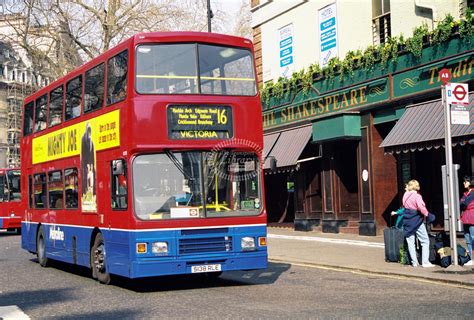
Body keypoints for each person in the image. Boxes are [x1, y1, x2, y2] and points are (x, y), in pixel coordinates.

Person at [401, 179, 434, 268]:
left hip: (407, 220)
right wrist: (428, 215)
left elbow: (405, 206)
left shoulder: (405, 195)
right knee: (425, 241)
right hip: (417, 221)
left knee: (411, 242)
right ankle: (425, 262)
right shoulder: (417, 196)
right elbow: (421, 207)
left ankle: (414, 262)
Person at [460, 176, 474, 266]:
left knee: (473, 238)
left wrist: (464, 203)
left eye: (465, 182)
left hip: (472, 217)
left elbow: (464, 203)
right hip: (465, 218)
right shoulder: (465, 193)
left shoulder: (472, 193)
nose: (464, 183)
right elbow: (461, 204)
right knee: (468, 239)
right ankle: (471, 258)